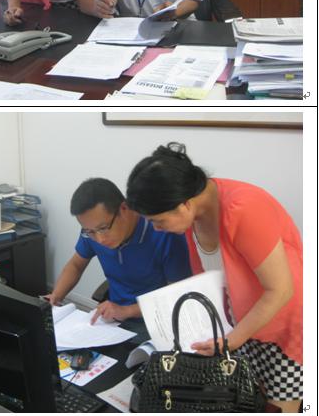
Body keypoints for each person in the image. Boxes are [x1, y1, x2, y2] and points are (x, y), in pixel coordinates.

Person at [125, 143, 303, 412]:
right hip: (240, 324)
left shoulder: (244, 208)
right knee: (242, 399)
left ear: (183, 204)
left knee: (275, 407)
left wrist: (233, 340)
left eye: (157, 221)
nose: (156, 229)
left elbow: (280, 291)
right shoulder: (194, 213)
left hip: (283, 328)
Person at [45, 178, 191, 324]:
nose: (100, 239)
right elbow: (76, 265)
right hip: (114, 317)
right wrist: (56, 296)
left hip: (156, 318)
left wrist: (127, 311)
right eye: (90, 231)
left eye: (103, 228)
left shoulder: (162, 231)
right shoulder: (92, 231)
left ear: (124, 209)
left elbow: (176, 294)